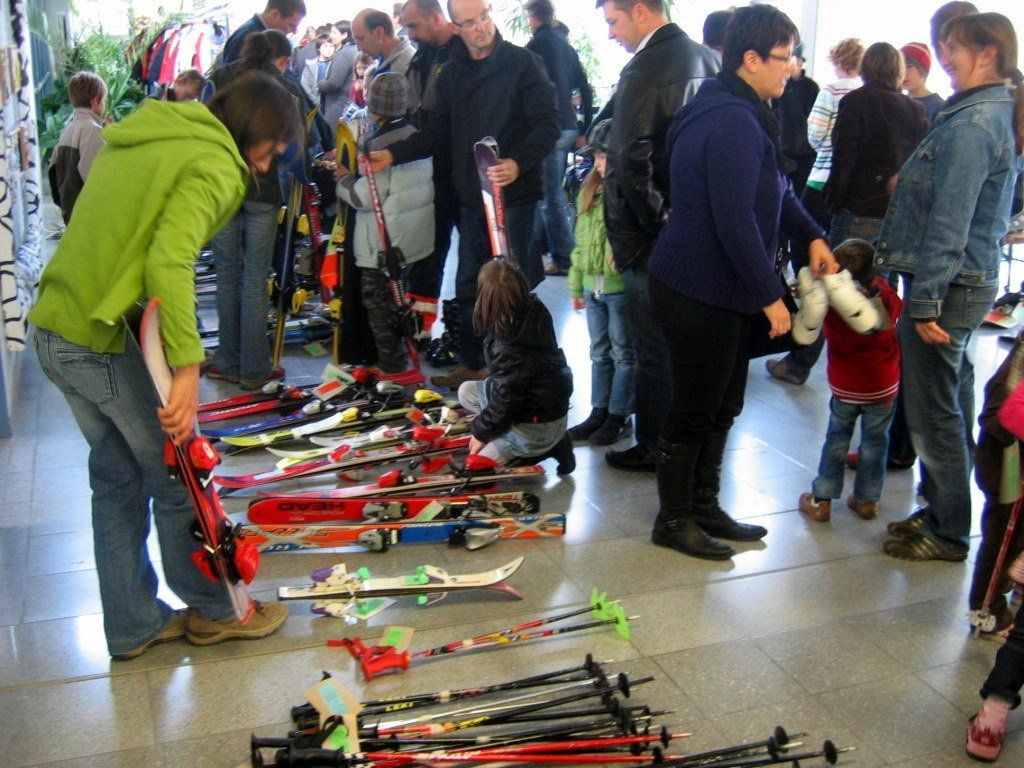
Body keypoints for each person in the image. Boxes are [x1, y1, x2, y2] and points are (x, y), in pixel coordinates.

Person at [28, 72, 298, 660]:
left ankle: (133, 624)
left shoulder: (153, 131)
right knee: (179, 475)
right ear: (254, 131)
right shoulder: (217, 164)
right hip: (97, 340)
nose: (269, 162)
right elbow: (169, 261)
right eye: (273, 147)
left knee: (117, 479)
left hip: (54, 327)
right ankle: (215, 609)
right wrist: (188, 369)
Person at [646, 3, 837, 559]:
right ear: (751, 59)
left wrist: (812, 235)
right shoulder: (729, 119)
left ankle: (704, 505)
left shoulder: (743, 108)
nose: (793, 68)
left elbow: (774, 188)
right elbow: (733, 220)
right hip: (697, 288)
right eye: (785, 57)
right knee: (694, 407)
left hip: (720, 284)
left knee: (725, 401)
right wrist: (769, 297)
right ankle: (672, 519)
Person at [879, 12, 1024, 562]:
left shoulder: (974, 123)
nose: (945, 59)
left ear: (987, 54)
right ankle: (944, 511)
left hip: (948, 286)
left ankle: (947, 531)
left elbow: (950, 221)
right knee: (948, 403)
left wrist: (926, 302)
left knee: (933, 411)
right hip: (961, 281)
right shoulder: (985, 113)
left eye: (954, 48)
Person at [369, 0, 559, 389]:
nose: (481, 27)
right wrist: (393, 153)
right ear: (456, 26)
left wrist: (518, 162)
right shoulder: (452, 72)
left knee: (513, 286)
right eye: (470, 22)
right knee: (470, 283)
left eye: (485, 16)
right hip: (472, 197)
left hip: (515, 197)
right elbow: (438, 132)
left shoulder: (524, 63)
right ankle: (474, 364)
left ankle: (518, 371)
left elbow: (548, 125)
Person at [596, 0, 719, 472]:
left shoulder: (645, 68)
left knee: (653, 349)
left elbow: (630, 156)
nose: (610, 33)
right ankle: (684, 446)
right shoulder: (707, 58)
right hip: (696, 224)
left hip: (653, 237)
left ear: (641, 12)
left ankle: (654, 446)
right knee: (687, 347)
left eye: (613, 21)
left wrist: (657, 220)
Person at [205, 31, 306, 391]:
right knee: (255, 278)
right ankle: (254, 369)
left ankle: (227, 361)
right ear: (278, 57)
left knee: (226, 275)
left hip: (222, 188)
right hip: (264, 192)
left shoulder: (219, 80)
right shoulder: (283, 90)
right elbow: (294, 151)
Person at [766, 37, 862, 387]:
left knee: (811, 271)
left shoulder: (830, 92)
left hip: (822, 182)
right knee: (851, 278)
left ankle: (801, 358)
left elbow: (816, 137)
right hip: (858, 199)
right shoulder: (889, 100)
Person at [798, 239, 902, 523]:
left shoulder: (830, 305)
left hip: (845, 387)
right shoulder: (885, 296)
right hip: (883, 386)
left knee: (836, 440)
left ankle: (821, 500)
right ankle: (867, 501)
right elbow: (895, 315)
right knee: (876, 443)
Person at [335, 73, 434, 373]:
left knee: (379, 307)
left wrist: (342, 180)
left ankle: (392, 368)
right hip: (412, 236)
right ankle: (408, 352)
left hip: (381, 243)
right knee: (400, 300)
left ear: (374, 107)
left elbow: (364, 198)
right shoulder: (416, 137)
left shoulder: (379, 145)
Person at [458, 259, 575, 473]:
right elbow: (508, 390)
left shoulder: (508, 346)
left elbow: (506, 402)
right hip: (548, 409)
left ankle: (546, 446)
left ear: (486, 297)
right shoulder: (534, 309)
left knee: (476, 467)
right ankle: (552, 439)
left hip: (536, 427)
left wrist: (481, 433)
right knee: (466, 391)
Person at [566, 119, 635, 447]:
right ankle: (599, 411)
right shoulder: (588, 191)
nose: (599, 164)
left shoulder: (629, 194)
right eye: (596, 158)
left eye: (604, 157)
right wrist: (575, 285)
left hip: (617, 288)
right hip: (592, 286)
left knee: (623, 353)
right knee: (599, 352)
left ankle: (619, 416)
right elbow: (579, 242)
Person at [825, 42, 930, 246]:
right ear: (898, 70)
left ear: (864, 67)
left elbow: (844, 156)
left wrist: (834, 202)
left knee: (843, 266)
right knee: (883, 268)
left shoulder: (854, 101)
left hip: (857, 207)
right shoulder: (915, 109)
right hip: (894, 211)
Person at [401, 0, 461, 337]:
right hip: (428, 169)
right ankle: (420, 327)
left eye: (414, 26)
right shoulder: (423, 56)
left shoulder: (464, 53)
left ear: (436, 18)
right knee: (427, 250)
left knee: (473, 259)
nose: (410, 34)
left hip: (461, 172)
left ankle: (469, 331)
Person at [525, 0, 594, 277]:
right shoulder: (566, 46)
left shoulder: (534, 47)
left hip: (550, 129)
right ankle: (558, 251)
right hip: (570, 128)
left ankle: (564, 258)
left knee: (549, 196)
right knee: (554, 194)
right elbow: (585, 87)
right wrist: (584, 128)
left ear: (533, 16)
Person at [967, 332, 1024, 639]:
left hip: (1010, 461)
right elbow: (999, 417)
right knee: (1004, 538)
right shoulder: (1019, 362)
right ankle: (988, 610)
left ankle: (1011, 592)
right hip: (1009, 467)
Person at [48, 71, 106, 225]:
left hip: (70, 210)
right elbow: (94, 176)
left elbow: (52, 169)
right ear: (95, 100)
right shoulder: (92, 130)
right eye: (103, 100)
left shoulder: (67, 129)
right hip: (88, 214)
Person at [772, 43, 818, 196]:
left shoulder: (811, 87)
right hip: (782, 151)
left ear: (800, 61)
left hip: (805, 153)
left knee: (800, 197)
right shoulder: (777, 84)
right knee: (780, 195)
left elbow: (815, 120)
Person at [220, 0, 306, 65]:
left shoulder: (254, 31)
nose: (294, 32)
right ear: (275, 15)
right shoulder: (251, 38)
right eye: (291, 26)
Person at [354, 8, 416, 93]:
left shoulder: (405, 68)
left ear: (379, 33)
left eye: (361, 39)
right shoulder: (384, 60)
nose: (359, 48)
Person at [901, 42, 945, 122]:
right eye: (901, 67)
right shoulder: (897, 103)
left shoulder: (939, 106)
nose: (903, 72)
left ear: (923, 70)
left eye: (909, 66)